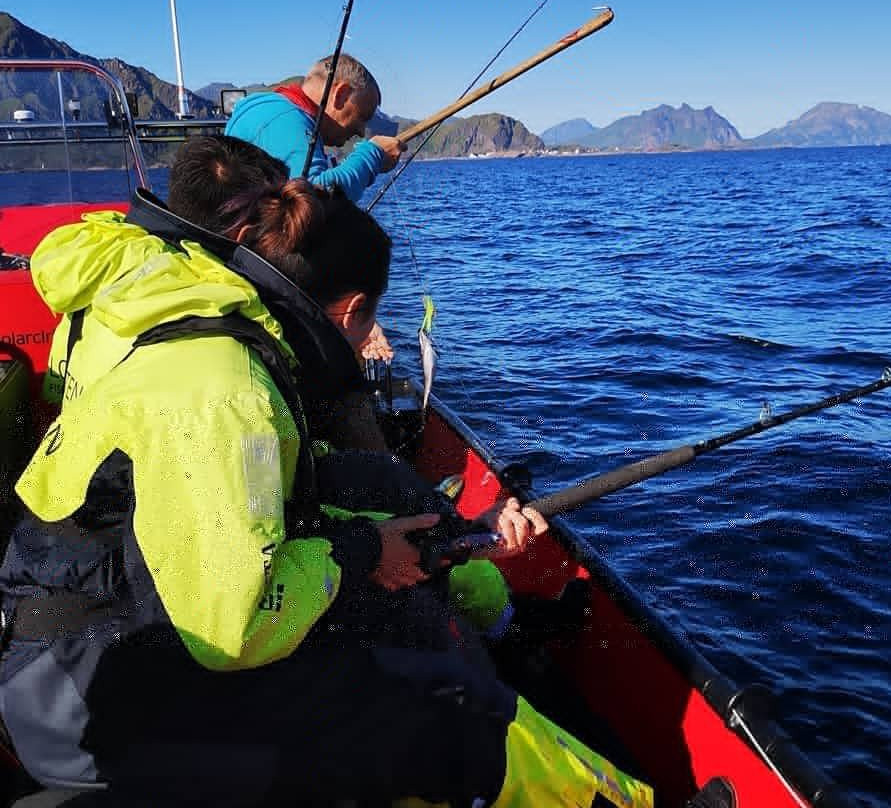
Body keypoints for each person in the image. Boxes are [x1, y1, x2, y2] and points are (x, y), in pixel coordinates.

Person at [0, 136, 654, 806]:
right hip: (84, 698)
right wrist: (367, 551)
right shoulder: (227, 392)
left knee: (389, 568)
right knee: (450, 710)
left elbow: (265, 518)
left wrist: (423, 538)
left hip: (103, 636)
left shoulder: (209, 335)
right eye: (370, 318)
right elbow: (237, 630)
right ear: (349, 312)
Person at [225, 53, 406, 204]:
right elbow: (313, 200)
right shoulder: (285, 119)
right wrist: (371, 156)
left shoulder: (273, 111)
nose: (360, 131)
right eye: (362, 117)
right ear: (341, 94)